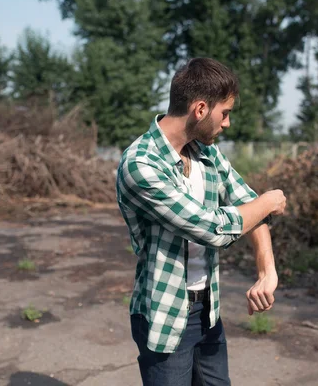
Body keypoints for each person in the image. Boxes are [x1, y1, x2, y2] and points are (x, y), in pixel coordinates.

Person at [115, 57, 287, 386]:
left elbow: (247, 207)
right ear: (200, 109)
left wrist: (267, 270)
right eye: (225, 113)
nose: (227, 124)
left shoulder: (207, 153)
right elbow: (212, 228)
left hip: (208, 309)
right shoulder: (140, 164)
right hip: (165, 313)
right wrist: (267, 201)